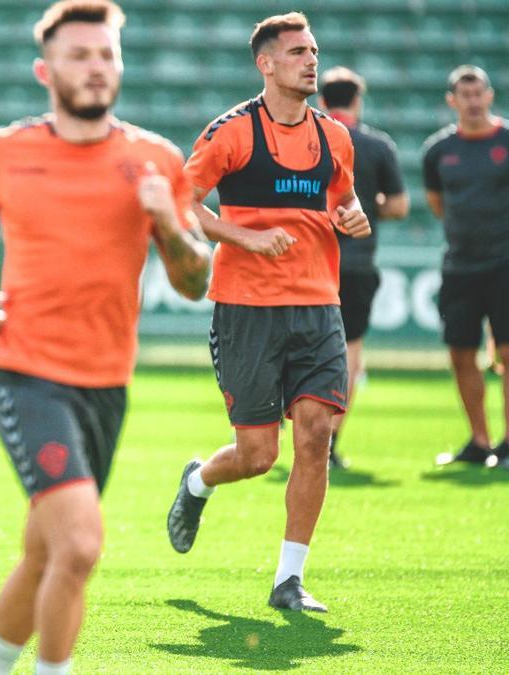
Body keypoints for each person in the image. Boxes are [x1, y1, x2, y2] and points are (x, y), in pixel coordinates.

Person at [0, 3, 211, 672]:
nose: (95, 67)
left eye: (106, 55)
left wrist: (169, 224)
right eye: (79, 55)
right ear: (44, 70)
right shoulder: (1, 152)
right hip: (25, 375)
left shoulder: (156, 160)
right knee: (80, 544)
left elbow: (196, 281)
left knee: (47, 552)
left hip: (107, 384)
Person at [165, 12, 370, 613]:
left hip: (318, 307)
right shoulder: (230, 132)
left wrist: (354, 216)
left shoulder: (335, 136)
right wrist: (243, 237)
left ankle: (289, 580)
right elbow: (181, 203)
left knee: (316, 435)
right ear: (267, 63)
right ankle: (198, 480)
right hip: (247, 311)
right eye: (299, 51)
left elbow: (345, 197)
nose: (312, 60)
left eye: (315, 50)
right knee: (258, 455)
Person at [317, 66, 409, 469]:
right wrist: (366, 208)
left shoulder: (309, 139)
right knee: (350, 351)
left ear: (322, 101)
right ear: (357, 100)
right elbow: (400, 206)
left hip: (309, 261)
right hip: (356, 261)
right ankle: (330, 442)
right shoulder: (376, 146)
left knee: (298, 343)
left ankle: (292, 420)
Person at [422, 65, 509, 469]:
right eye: (465, 95)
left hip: (505, 263)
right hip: (459, 265)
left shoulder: (507, 141)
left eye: (480, 94)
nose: (473, 102)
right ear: (452, 101)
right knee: (461, 353)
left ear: (489, 96)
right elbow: (438, 203)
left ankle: (508, 444)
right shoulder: (438, 151)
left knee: (507, 353)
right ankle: (480, 441)